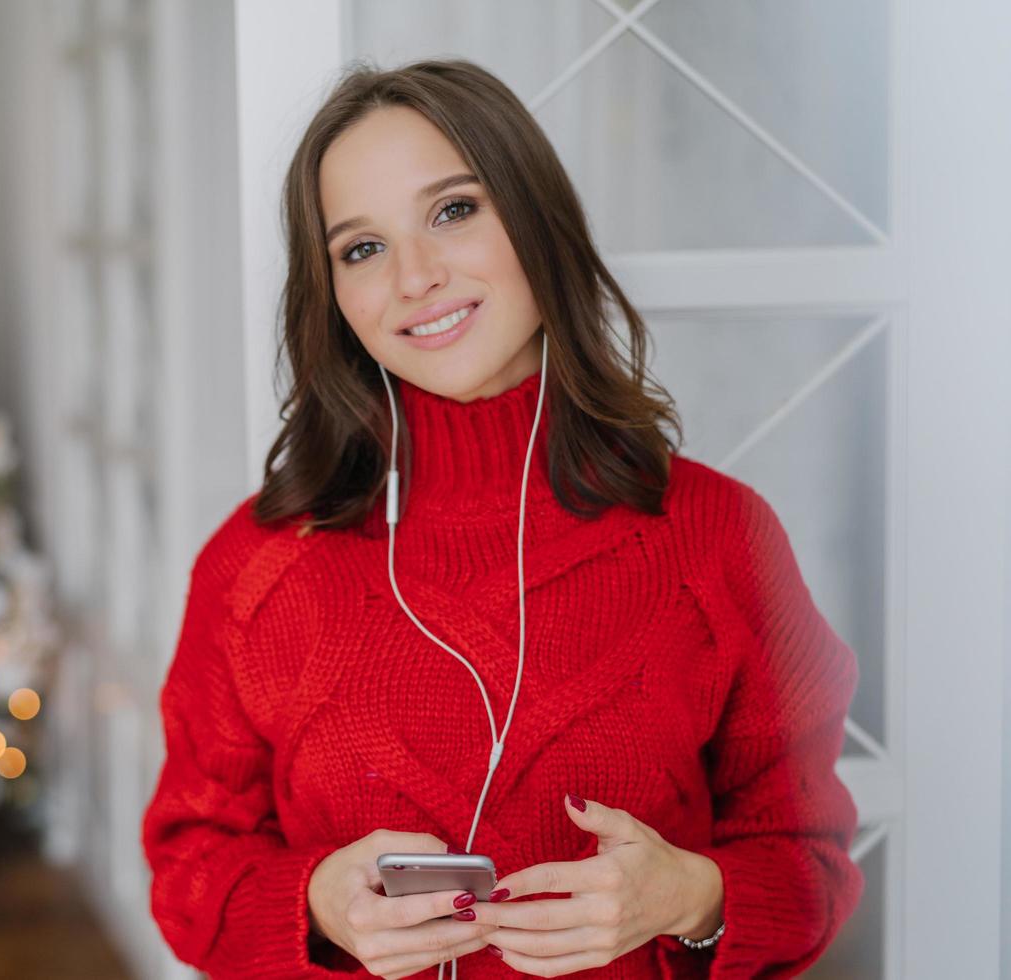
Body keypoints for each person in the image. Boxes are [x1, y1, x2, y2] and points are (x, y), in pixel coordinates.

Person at [141, 58, 862, 979]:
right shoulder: (257, 566)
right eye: (362, 248)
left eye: (453, 210)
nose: (417, 277)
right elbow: (187, 869)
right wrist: (320, 901)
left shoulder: (718, 538)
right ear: (334, 299)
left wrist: (687, 895)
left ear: (535, 215)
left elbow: (813, 864)